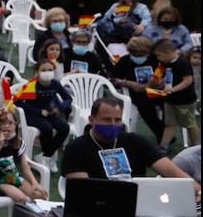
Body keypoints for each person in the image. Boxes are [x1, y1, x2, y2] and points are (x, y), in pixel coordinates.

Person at [61, 98, 197, 191]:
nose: (113, 124)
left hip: (137, 205)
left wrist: (197, 191)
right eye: (107, 120)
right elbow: (82, 190)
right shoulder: (76, 148)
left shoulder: (135, 142)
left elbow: (171, 171)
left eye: (118, 120)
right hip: (96, 206)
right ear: (92, 120)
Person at [16, 60, 73, 159]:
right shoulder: (31, 85)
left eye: (50, 70)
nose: (47, 72)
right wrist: (39, 112)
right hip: (32, 115)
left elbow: (68, 99)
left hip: (50, 114)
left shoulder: (55, 84)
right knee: (47, 128)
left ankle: (46, 156)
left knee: (64, 128)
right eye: (44, 70)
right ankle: (47, 156)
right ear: (37, 72)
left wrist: (59, 108)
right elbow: (17, 101)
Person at [150, 39, 198, 149]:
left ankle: (196, 146)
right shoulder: (163, 63)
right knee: (169, 124)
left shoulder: (182, 63)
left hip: (184, 100)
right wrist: (156, 82)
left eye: (159, 55)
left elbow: (188, 80)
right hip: (169, 100)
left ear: (168, 52)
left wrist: (173, 89)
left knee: (190, 124)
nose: (158, 58)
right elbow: (158, 76)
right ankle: (163, 146)